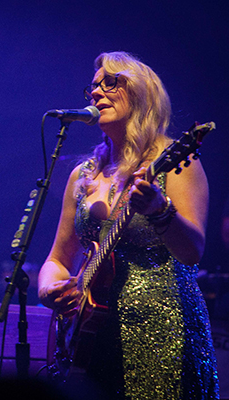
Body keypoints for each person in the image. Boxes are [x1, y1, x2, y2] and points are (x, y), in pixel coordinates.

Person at [37, 52, 218, 399]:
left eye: (110, 83)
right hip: (89, 338)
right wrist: (49, 290)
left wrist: (158, 209)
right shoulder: (83, 175)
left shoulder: (176, 161)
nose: (95, 93)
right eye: (92, 88)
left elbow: (192, 251)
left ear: (141, 93)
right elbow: (58, 259)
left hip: (163, 334)